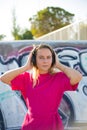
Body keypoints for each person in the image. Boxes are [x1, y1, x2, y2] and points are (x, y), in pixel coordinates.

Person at [0, 44, 82, 130]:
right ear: (34, 60)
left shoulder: (58, 78)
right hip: (31, 125)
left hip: (53, 126)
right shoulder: (27, 78)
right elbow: (4, 78)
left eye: (48, 57)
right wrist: (25, 67)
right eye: (41, 57)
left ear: (52, 59)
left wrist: (59, 65)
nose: (45, 61)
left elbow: (78, 77)